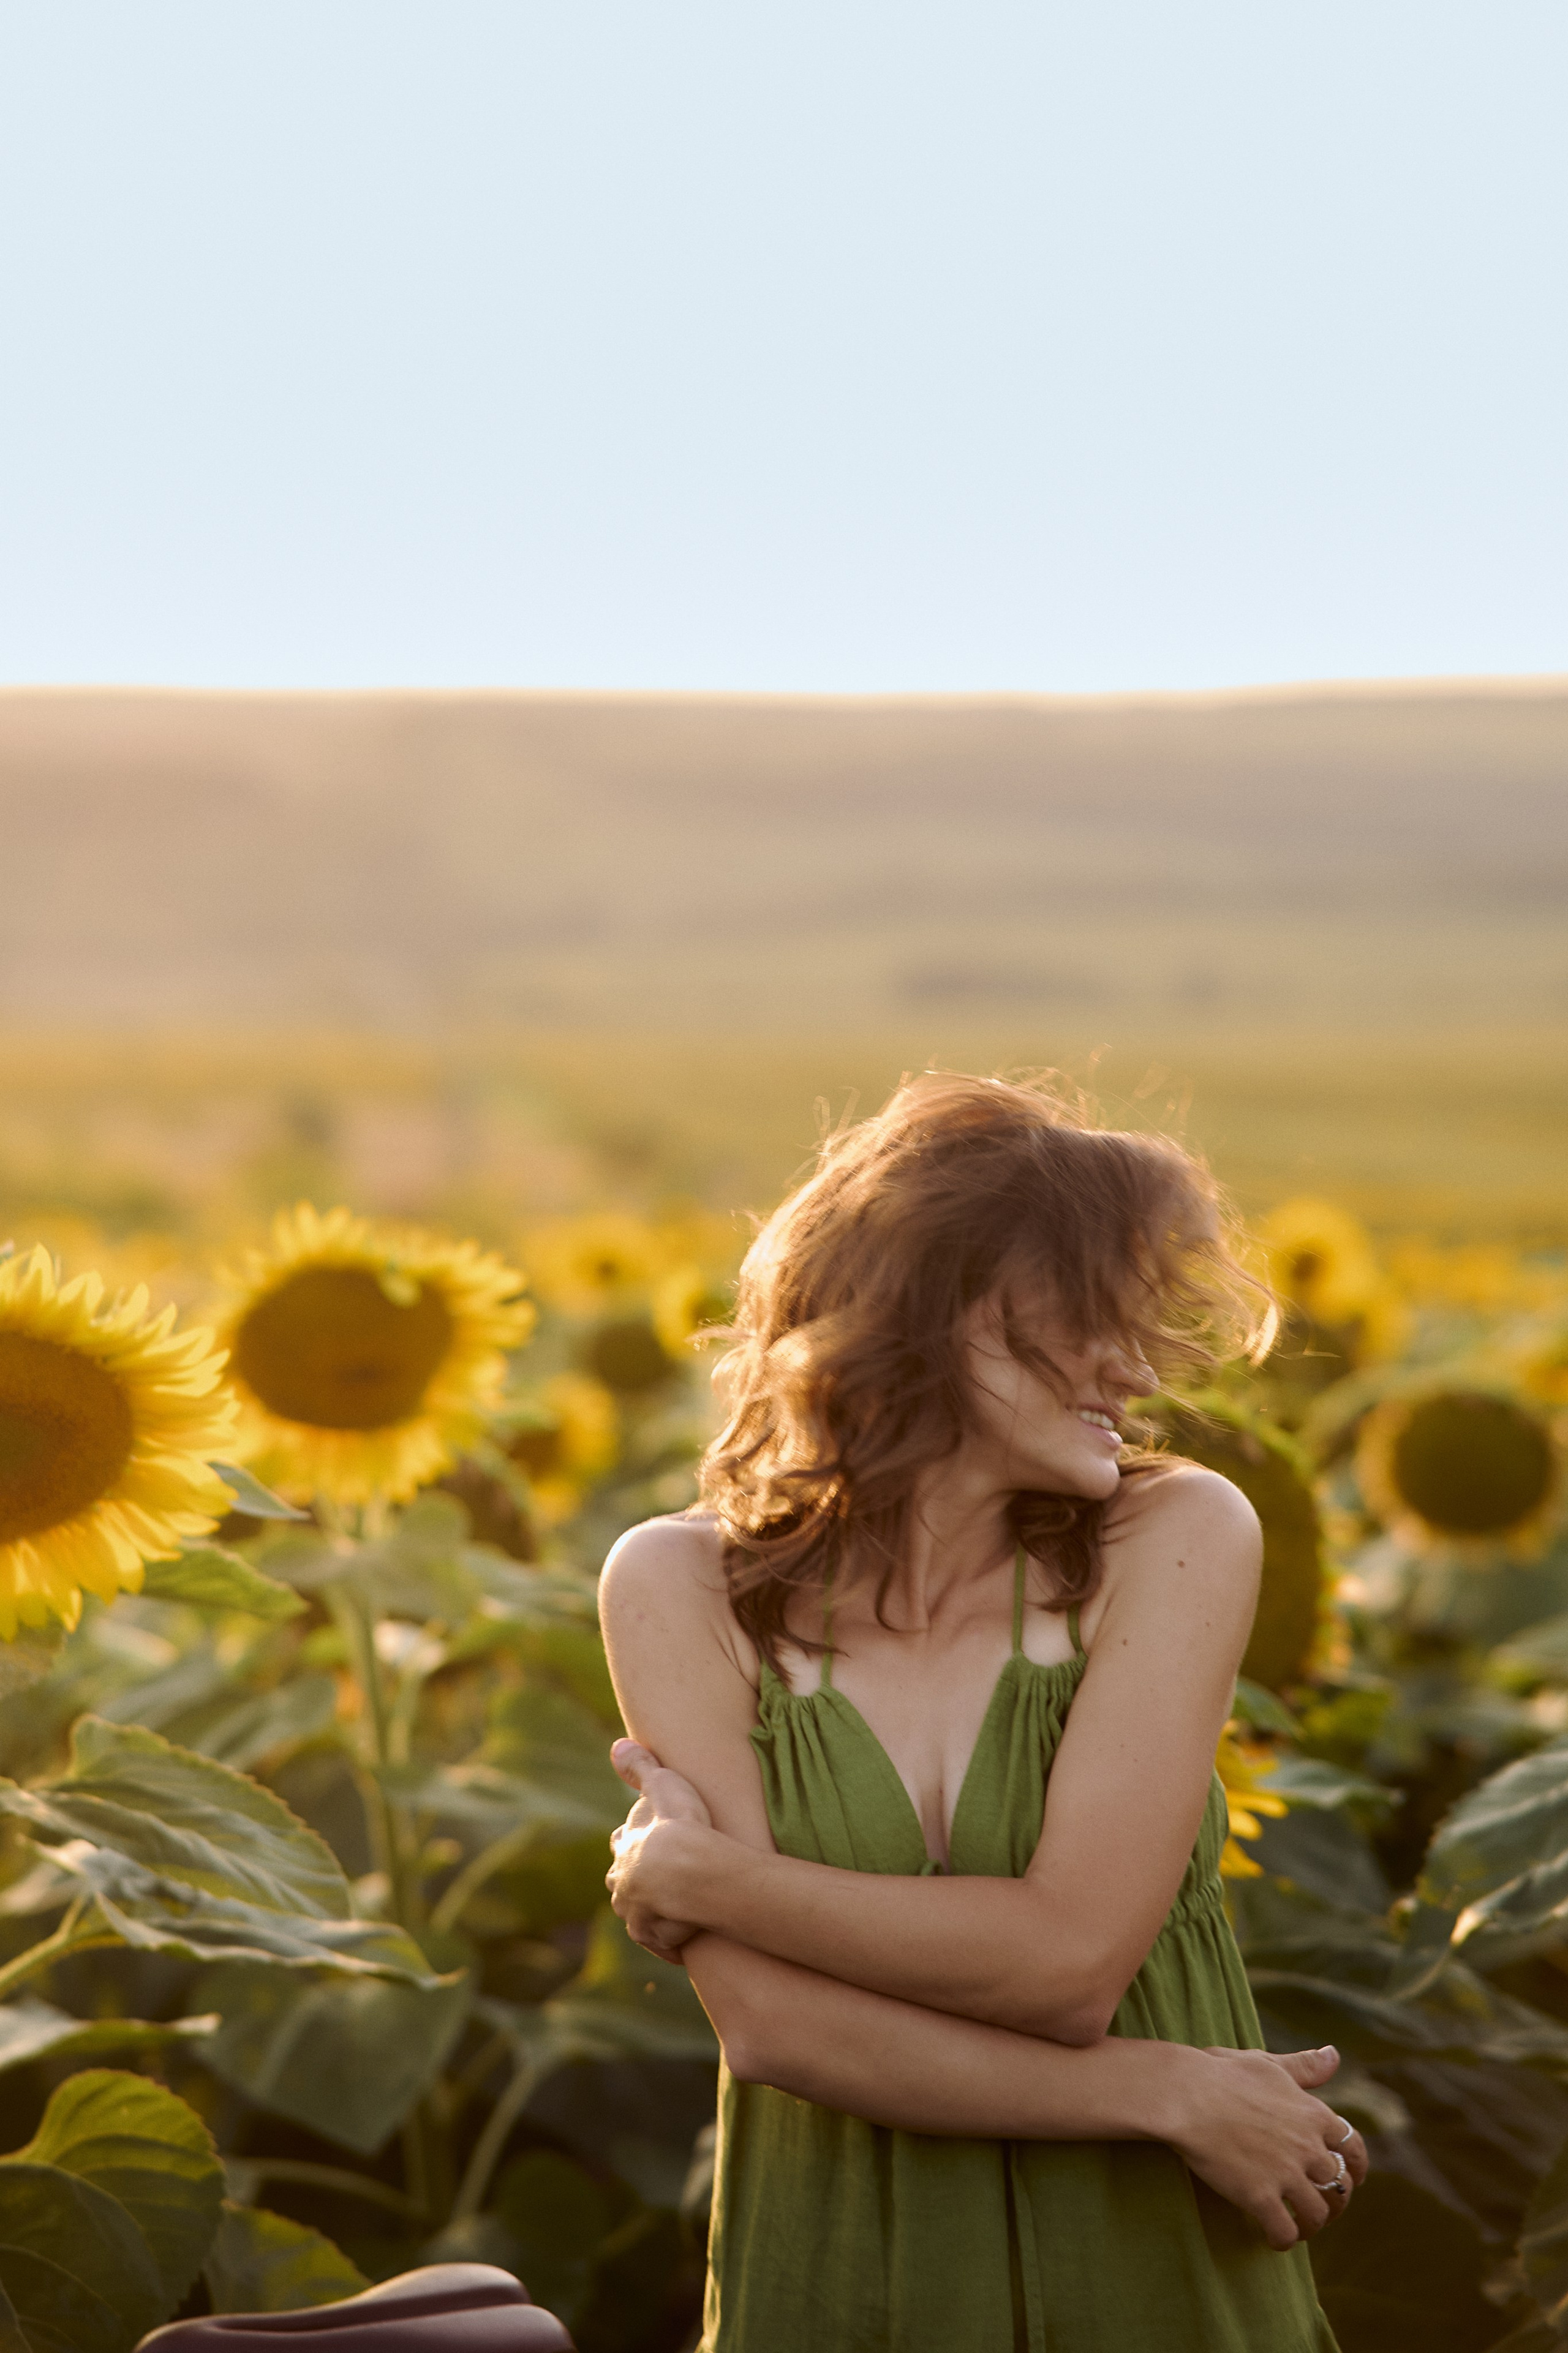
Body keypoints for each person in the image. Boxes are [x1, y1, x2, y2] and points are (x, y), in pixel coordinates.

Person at [598, 1072, 1362, 2352]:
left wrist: (704, 1878)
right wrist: (1162, 2091)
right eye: (1086, 1316)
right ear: (930, 1311)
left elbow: (1065, 1965)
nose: (1132, 1367)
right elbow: (774, 2028)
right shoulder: (674, 1583)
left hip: (1146, 2268)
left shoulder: (1174, 1535)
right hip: (842, 2269)